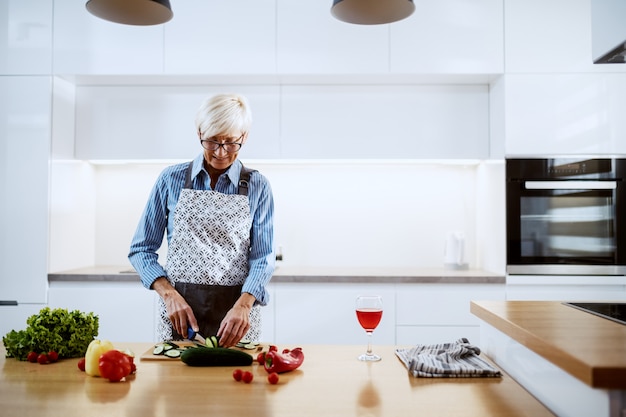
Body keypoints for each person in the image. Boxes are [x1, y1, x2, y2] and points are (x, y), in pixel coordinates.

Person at [128, 93, 275, 347]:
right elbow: (141, 250)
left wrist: (244, 304)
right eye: (212, 141)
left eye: (230, 143)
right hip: (180, 317)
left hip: (236, 319)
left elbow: (262, 258)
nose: (220, 152)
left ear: (244, 137)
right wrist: (168, 294)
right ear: (199, 133)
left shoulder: (258, 187)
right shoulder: (170, 180)